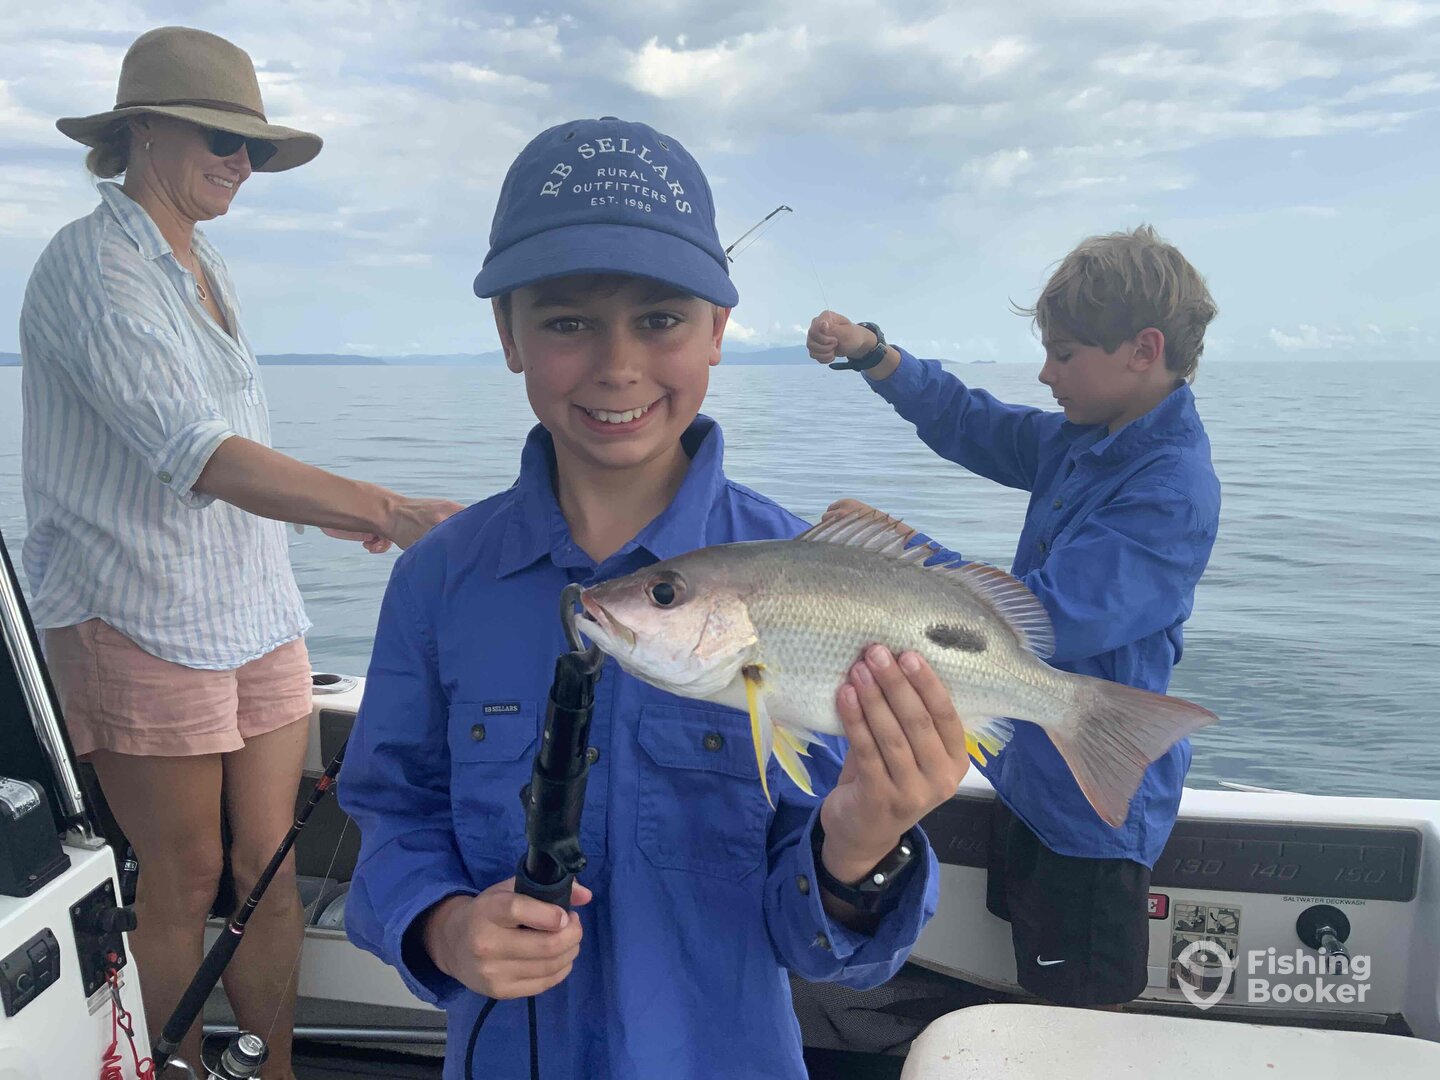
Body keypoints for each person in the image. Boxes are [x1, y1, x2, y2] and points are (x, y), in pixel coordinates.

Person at [339, 116, 972, 1079]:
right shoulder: (438, 579)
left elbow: (822, 947)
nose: (618, 365)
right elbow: (391, 812)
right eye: (567, 322)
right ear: (508, 335)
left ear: (718, 331)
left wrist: (862, 847)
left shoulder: (809, 584)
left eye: (662, 319)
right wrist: (444, 927)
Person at [19, 26, 462, 1078]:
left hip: (252, 606)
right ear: (140, 128)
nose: (242, 163)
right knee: (184, 874)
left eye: (254, 147)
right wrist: (388, 506)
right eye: (222, 139)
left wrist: (325, 512)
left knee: (266, 869)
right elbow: (196, 451)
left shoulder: (202, 263)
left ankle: (273, 1070)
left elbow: (230, 447)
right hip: (135, 609)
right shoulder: (92, 264)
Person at [805, 224, 1221, 1007]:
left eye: (1065, 354)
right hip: (1030, 773)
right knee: (1032, 979)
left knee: (1079, 1020)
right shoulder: (1085, 438)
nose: (1045, 372)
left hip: (1093, 813)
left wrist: (893, 559)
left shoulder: (1170, 491)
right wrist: (874, 354)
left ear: (1143, 350)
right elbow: (972, 422)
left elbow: (1053, 617)